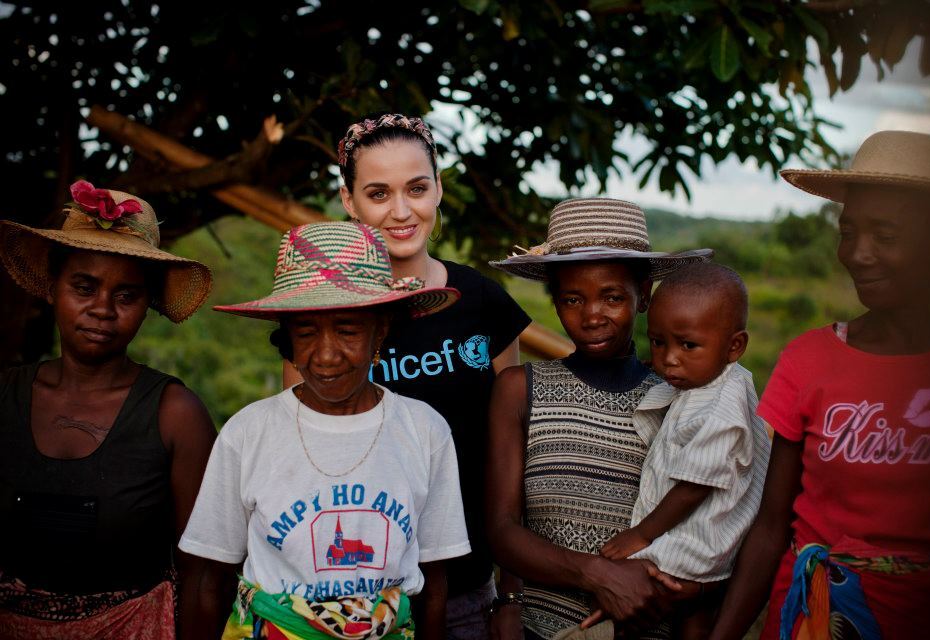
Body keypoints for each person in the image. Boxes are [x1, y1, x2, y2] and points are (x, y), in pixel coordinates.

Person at [287, 112, 532, 638]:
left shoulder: (484, 301)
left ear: (439, 189)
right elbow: (299, 452)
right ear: (349, 201)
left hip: (469, 586)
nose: (402, 211)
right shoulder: (321, 319)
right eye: (378, 193)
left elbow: (509, 453)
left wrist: (509, 592)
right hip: (348, 593)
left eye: (417, 188)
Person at [709, 130, 930, 640]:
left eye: (885, 236)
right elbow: (772, 525)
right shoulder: (809, 360)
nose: (858, 254)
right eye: (849, 232)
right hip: (819, 619)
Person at [179, 221, 472, 640]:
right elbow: (210, 577)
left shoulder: (424, 430)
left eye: (348, 330)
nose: (327, 355)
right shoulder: (248, 432)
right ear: (287, 338)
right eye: (306, 332)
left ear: (381, 329)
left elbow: (434, 581)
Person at [485, 197, 713, 639]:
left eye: (612, 297)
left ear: (643, 296)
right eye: (572, 299)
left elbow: (702, 531)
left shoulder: (678, 401)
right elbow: (501, 529)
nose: (592, 316)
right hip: (539, 628)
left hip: (646, 626)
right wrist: (596, 574)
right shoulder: (519, 389)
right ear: (553, 301)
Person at [0, 180, 217, 639]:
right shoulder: (4, 397)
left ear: (146, 306)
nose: (102, 309)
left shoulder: (176, 415)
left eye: (126, 296)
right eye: (84, 286)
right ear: (53, 287)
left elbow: (202, 576)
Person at [587, 262, 770, 640]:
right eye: (658, 342)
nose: (669, 358)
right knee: (693, 621)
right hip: (700, 539)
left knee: (625, 601)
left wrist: (641, 534)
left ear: (735, 346)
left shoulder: (723, 403)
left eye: (688, 345)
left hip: (697, 541)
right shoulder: (706, 380)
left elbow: (694, 487)